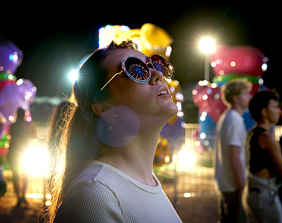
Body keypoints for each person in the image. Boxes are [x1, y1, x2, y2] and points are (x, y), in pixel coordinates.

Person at [46, 40, 181, 223]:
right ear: (104, 106)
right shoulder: (95, 194)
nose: (157, 74)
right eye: (136, 70)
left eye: (154, 65)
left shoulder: (145, 182)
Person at [242, 91, 282, 223]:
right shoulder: (268, 138)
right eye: (275, 107)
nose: (278, 111)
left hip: (252, 193)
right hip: (266, 196)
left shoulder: (251, 133)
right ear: (264, 112)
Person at [214, 79, 252, 223]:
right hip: (233, 185)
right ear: (236, 98)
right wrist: (242, 185)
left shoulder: (227, 117)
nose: (249, 96)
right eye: (246, 93)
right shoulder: (234, 120)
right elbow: (234, 157)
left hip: (226, 183)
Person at [7, 108, 36, 206]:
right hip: (23, 151)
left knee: (17, 175)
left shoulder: (14, 125)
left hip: (16, 152)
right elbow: (33, 136)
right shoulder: (26, 125)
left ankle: (19, 197)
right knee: (24, 175)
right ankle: (22, 196)